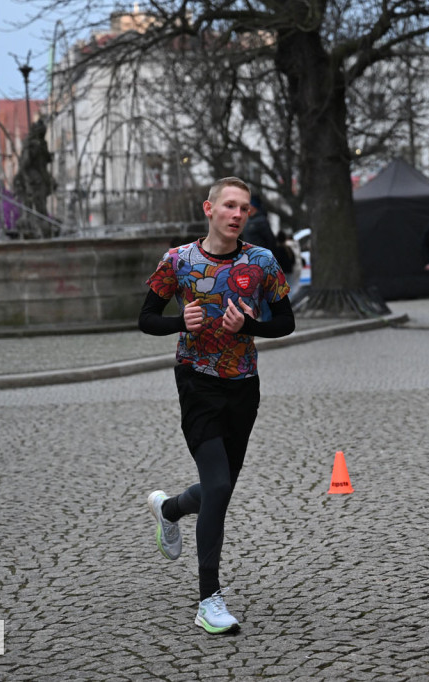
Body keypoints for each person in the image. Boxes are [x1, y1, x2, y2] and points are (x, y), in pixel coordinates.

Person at [139, 176, 295, 634]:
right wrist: (177, 324)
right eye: (228, 206)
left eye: (243, 208)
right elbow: (146, 318)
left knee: (219, 487)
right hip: (197, 382)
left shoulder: (261, 261)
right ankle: (209, 599)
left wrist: (249, 326)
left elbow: (286, 321)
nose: (236, 214)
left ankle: (169, 510)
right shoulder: (180, 261)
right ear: (209, 209)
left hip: (244, 385)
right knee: (220, 487)